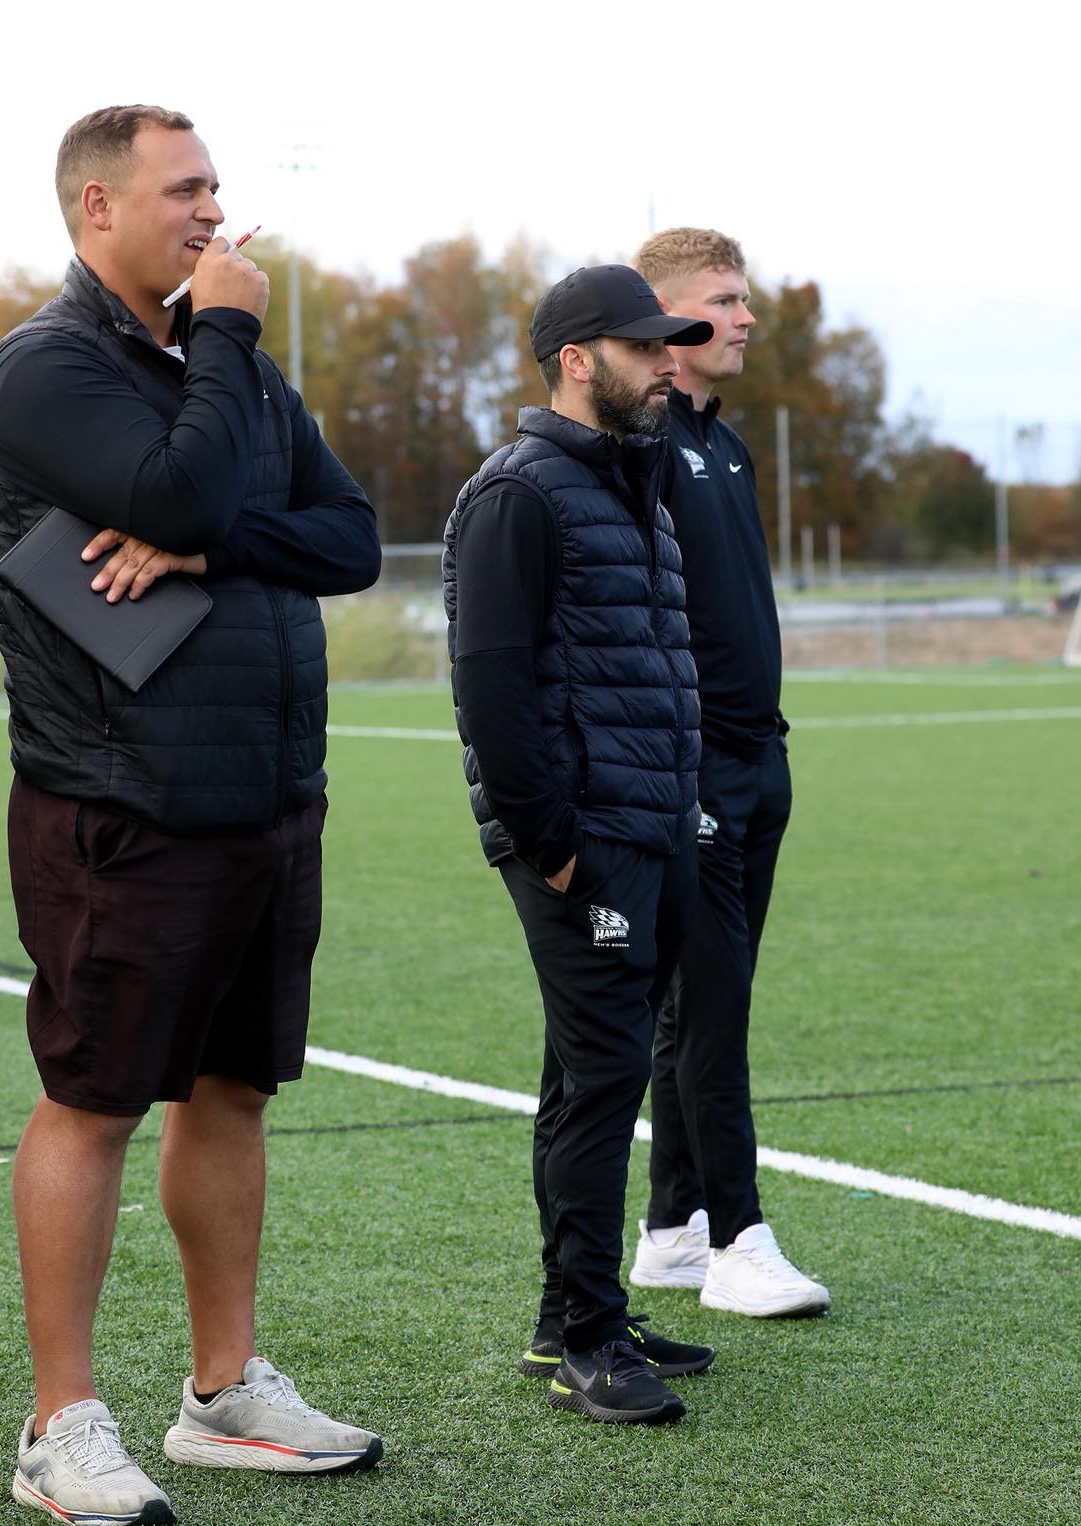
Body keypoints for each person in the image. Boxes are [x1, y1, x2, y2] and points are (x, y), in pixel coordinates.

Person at [0, 105, 383, 1525]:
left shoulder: (238, 372)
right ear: (96, 206)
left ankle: (222, 1390)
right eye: (184, 190)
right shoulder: (46, 365)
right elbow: (182, 481)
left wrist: (208, 545)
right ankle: (59, 1423)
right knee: (92, 1097)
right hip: (122, 796)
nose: (214, 213)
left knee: (232, 1088)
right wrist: (223, 338)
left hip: (265, 791)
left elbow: (347, 536)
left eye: (216, 188)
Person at [443, 266, 712, 1424]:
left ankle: (570, 1315)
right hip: (583, 841)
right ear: (572, 359)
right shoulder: (518, 492)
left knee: (588, 1070)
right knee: (603, 1075)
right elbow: (491, 687)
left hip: (649, 824)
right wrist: (552, 846)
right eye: (643, 347)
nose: (665, 364)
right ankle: (589, 1341)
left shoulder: (628, 482)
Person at [628, 228, 828, 1316]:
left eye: (745, 298)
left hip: (760, 758)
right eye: (724, 298)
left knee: (704, 1002)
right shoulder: (642, 442)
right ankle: (737, 1239)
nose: (746, 317)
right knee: (711, 1008)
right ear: (666, 316)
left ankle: (671, 1230)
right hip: (691, 767)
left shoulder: (727, 443)